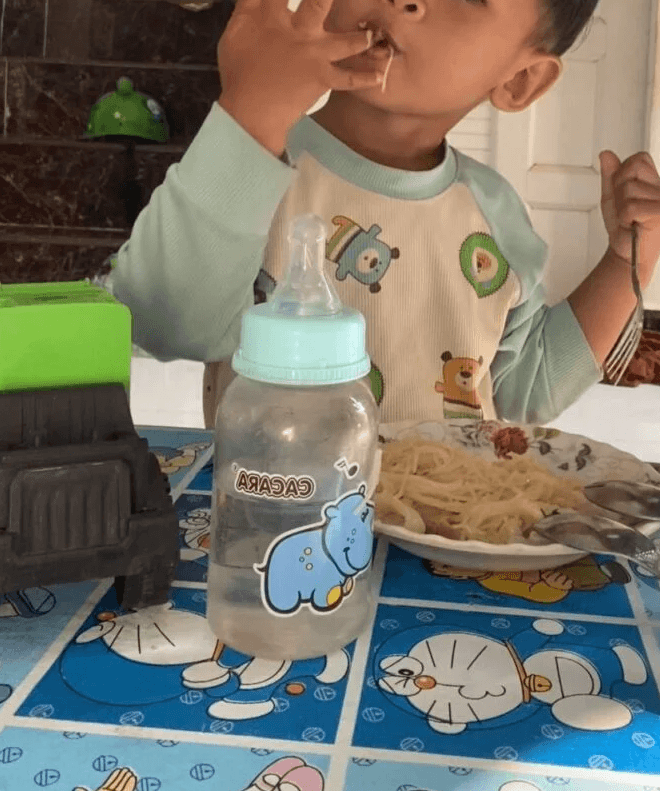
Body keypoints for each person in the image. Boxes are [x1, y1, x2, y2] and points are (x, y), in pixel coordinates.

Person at [106, 0, 660, 428]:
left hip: (449, 543)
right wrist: (249, 112)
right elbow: (162, 321)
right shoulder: (253, 161)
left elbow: (530, 385)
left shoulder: (495, 218)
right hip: (282, 537)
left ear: (520, 80)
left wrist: (626, 260)